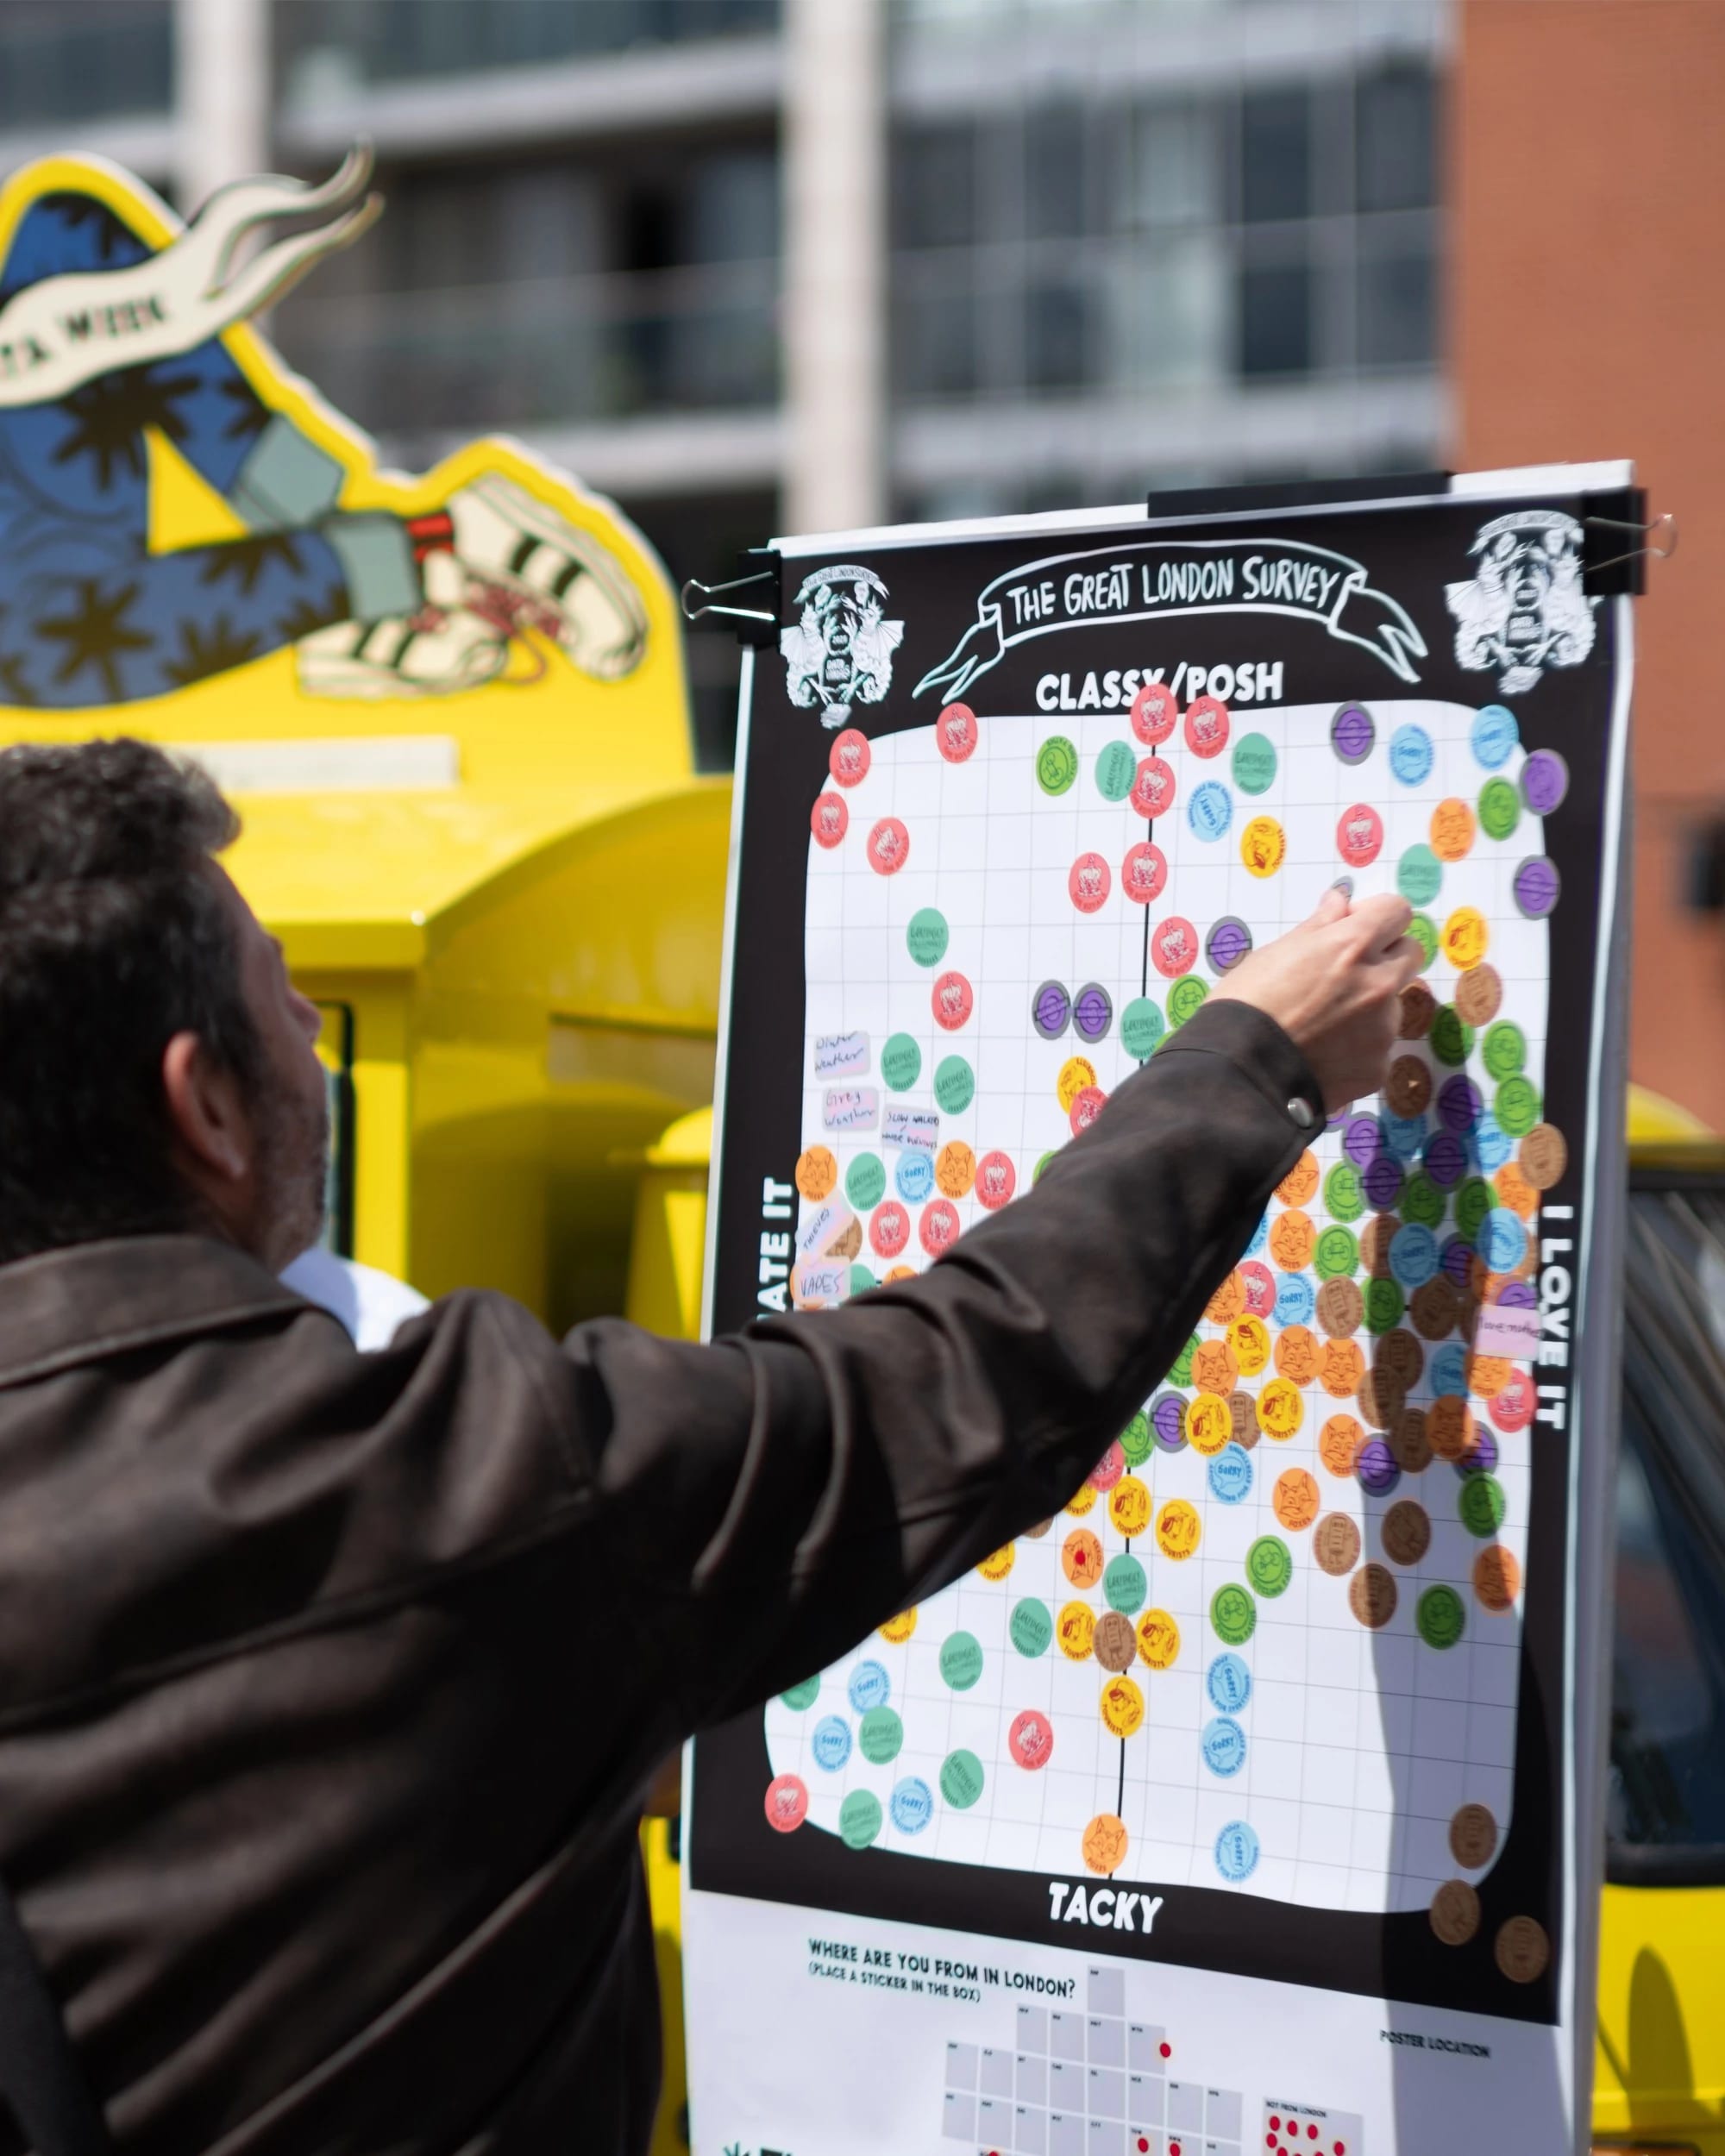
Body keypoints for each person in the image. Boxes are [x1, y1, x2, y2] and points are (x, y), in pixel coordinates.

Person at [0, 738, 1420, 2154]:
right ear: (207, 1104)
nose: (308, 1020)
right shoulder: (439, 1470)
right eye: (276, 990)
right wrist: (1254, 1058)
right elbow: (966, 1374)